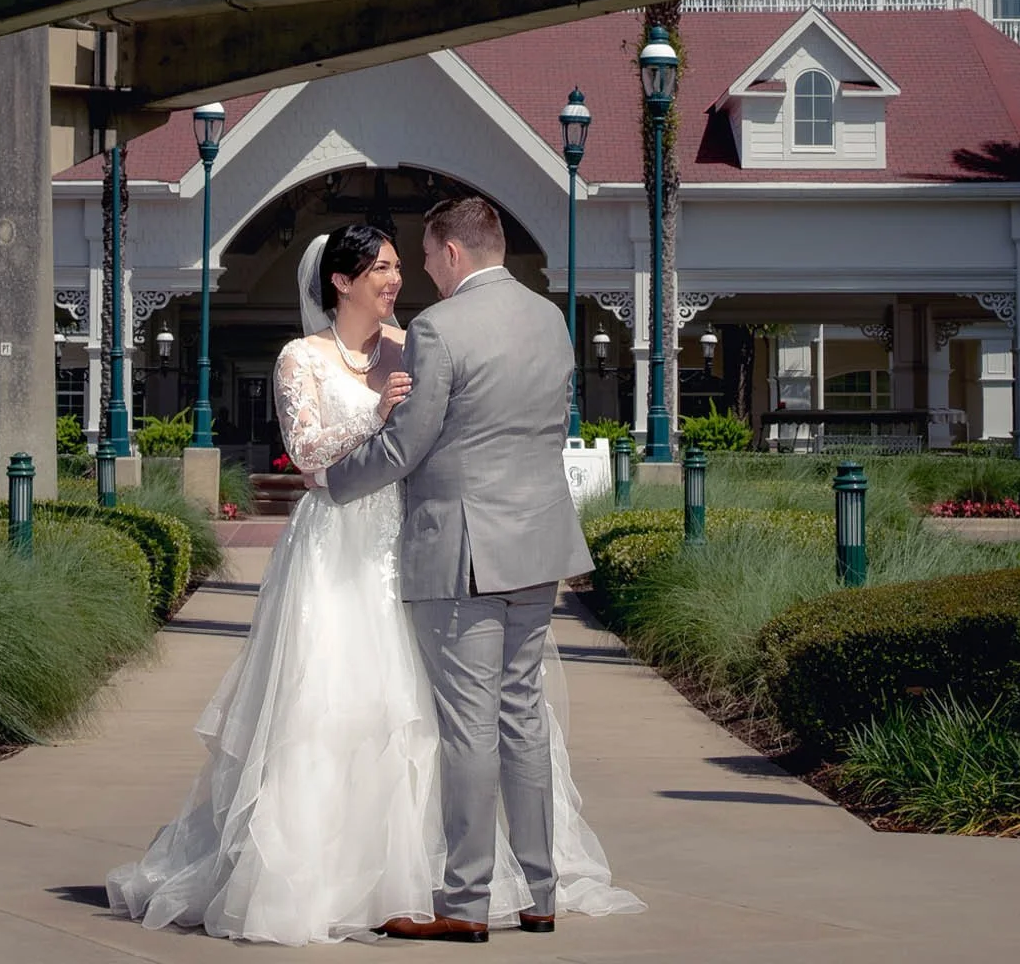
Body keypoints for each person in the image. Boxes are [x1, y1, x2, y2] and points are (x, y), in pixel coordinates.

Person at [106, 211, 640, 944]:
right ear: (341, 279)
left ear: (450, 251)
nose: (405, 275)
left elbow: (409, 445)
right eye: (386, 266)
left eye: (413, 258)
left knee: (465, 727)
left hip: (446, 544)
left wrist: (357, 458)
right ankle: (537, 892)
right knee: (510, 716)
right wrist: (363, 438)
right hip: (516, 544)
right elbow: (329, 446)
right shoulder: (549, 320)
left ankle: (462, 901)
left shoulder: (434, 334)